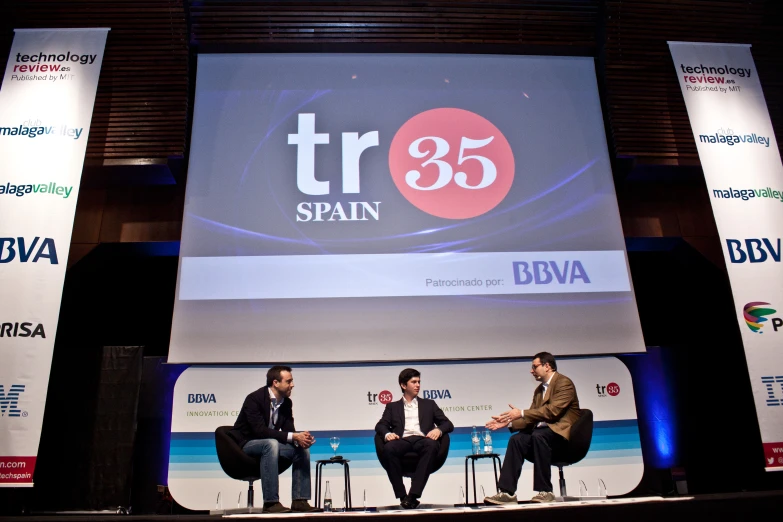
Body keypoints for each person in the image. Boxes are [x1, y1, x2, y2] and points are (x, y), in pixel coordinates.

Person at [483, 352, 580, 504]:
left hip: (563, 435)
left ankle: (545, 491)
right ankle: (507, 492)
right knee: (517, 439)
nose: (531, 370)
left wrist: (520, 412)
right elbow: (532, 418)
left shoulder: (564, 383)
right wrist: (508, 423)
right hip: (544, 434)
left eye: (534, 366)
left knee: (538, 435)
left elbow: (552, 411)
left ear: (547, 366)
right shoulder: (539, 390)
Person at [229, 365, 319, 513]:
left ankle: (300, 500)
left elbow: (289, 430)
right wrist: (293, 436)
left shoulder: (286, 403)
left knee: (300, 448)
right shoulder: (254, 399)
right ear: (275, 383)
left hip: (269, 443)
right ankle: (271, 503)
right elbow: (259, 431)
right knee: (270, 444)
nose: (292, 385)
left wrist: (300, 438)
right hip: (246, 444)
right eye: (289, 381)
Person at [375, 368, 454, 509]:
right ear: (403, 385)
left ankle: (413, 495)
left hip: (422, 439)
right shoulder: (392, 407)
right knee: (388, 448)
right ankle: (402, 496)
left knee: (432, 445)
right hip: (402, 440)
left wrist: (438, 430)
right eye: (414, 382)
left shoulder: (429, 404)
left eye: (419, 382)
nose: (418, 385)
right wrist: (388, 434)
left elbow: (448, 424)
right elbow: (380, 425)